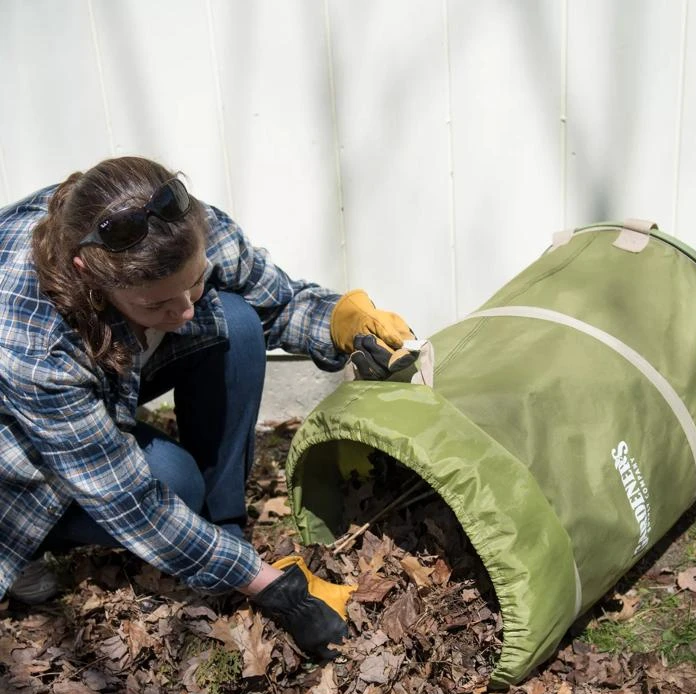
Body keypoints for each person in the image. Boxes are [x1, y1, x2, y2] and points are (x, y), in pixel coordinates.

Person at [0, 156, 415, 661]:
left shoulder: (179, 226)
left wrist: (340, 322)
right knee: (174, 484)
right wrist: (276, 590)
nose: (185, 310)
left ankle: (223, 527)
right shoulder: (34, 340)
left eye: (194, 282)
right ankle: (27, 540)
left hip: (107, 366)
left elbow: (276, 303)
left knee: (236, 322)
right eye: (157, 304)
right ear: (91, 278)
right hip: (13, 443)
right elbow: (132, 502)